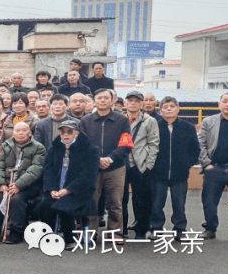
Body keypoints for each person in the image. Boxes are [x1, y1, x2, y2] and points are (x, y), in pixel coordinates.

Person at [35, 119, 100, 248]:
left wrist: (67, 190)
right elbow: (48, 170)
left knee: (63, 206)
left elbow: (87, 175)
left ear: (76, 133)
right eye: (63, 132)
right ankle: (49, 236)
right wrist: (51, 189)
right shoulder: (54, 147)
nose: (66, 135)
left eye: (69, 132)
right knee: (44, 206)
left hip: (78, 191)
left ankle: (70, 239)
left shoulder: (91, 149)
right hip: (56, 189)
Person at [79, 88, 133, 238]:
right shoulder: (86, 121)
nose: (102, 100)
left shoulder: (122, 120)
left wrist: (110, 158)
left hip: (115, 167)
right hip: (92, 168)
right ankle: (90, 232)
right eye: (99, 98)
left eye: (105, 98)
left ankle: (115, 233)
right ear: (94, 101)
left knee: (116, 203)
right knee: (91, 201)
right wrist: (97, 159)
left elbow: (126, 143)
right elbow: (82, 144)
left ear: (112, 101)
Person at [0, 122, 46, 244]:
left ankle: (17, 231)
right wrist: (1, 184)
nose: (21, 133)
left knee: (17, 199)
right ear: (13, 133)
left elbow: (35, 169)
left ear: (30, 133)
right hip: (8, 182)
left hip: (29, 185)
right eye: (18, 131)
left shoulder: (39, 147)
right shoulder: (6, 145)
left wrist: (18, 185)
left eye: (24, 130)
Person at [149, 97, 199, 236]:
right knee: (157, 203)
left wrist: (187, 164)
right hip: (158, 173)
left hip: (180, 174)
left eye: (172, 106)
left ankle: (179, 229)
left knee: (179, 204)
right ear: (160, 109)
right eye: (165, 106)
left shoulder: (187, 127)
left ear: (178, 109)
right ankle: (156, 228)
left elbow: (195, 149)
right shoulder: (154, 126)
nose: (169, 109)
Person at [197, 91, 228, 242]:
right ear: (219, 104)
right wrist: (206, 164)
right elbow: (200, 144)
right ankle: (210, 228)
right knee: (209, 201)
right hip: (214, 168)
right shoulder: (209, 121)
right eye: (225, 101)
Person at [121, 90, 160, 240]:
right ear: (125, 103)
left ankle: (141, 230)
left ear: (142, 104)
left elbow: (154, 144)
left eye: (137, 101)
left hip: (140, 165)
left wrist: (148, 165)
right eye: (130, 100)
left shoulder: (149, 121)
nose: (133, 103)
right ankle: (122, 230)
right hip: (121, 164)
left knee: (141, 199)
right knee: (120, 199)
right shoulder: (118, 118)